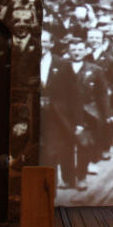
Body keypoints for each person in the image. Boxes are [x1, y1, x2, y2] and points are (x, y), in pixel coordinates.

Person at [39, 29, 80, 189]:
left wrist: (78, 122)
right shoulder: (26, 61)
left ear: (51, 44)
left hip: (56, 116)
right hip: (35, 116)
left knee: (51, 152)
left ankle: (50, 189)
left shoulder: (62, 64)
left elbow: (74, 95)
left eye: (44, 42)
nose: (40, 45)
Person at [67, 37, 108, 189]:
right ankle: (68, 177)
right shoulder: (63, 67)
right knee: (66, 147)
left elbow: (102, 93)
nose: (76, 53)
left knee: (84, 144)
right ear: (68, 51)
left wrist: (106, 113)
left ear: (85, 51)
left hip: (87, 113)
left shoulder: (95, 70)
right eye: (73, 50)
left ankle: (81, 176)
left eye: (79, 50)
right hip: (66, 113)